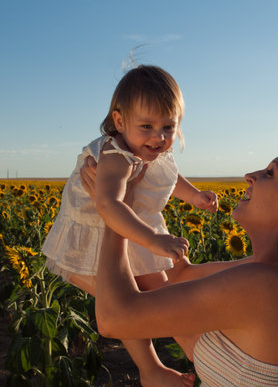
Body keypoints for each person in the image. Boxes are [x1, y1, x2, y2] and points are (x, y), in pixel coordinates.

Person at [81, 144, 278, 386]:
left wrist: (112, 213)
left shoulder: (266, 286)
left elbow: (113, 319)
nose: (249, 175)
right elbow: (181, 274)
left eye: (269, 173)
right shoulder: (272, 273)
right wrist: (134, 206)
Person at [42, 65, 217, 387]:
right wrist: (152, 239)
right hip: (99, 239)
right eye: (147, 125)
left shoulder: (150, 150)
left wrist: (194, 197)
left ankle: (196, 345)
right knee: (128, 303)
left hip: (132, 228)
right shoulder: (115, 155)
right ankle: (152, 369)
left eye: (168, 126)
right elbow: (108, 203)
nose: (159, 137)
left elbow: (168, 174)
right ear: (120, 121)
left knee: (163, 293)